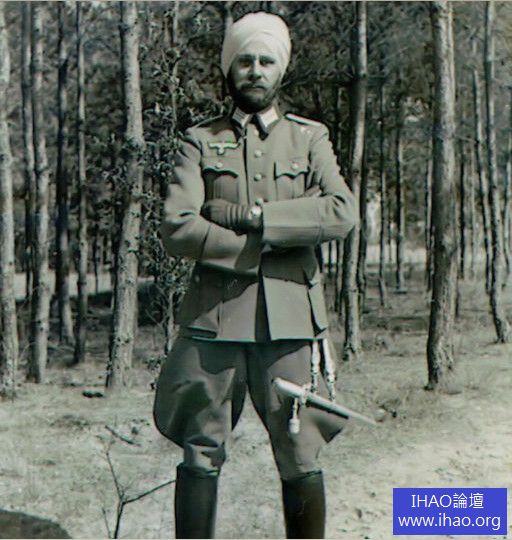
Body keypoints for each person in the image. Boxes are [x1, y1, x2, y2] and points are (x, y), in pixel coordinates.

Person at [153, 11, 357, 539]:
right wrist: (271, 242)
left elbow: (341, 213)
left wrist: (256, 219)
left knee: (300, 449)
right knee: (201, 449)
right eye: (244, 60)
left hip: (289, 319)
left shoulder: (309, 138)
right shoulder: (199, 141)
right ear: (230, 68)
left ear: (280, 70)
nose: (255, 70)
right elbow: (177, 226)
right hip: (214, 321)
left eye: (266, 61)